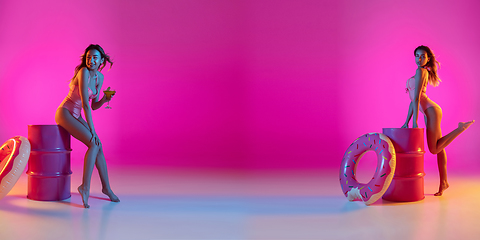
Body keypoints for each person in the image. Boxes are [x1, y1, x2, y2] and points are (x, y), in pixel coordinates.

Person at [402, 45, 474, 196]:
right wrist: (407, 121)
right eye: (417, 55)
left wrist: (415, 122)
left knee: (434, 149)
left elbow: (417, 98)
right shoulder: (418, 73)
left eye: (423, 56)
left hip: (431, 111)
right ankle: (444, 182)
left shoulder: (420, 71)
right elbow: (412, 100)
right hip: (429, 113)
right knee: (440, 148)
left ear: (428, 59)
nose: (419, 58)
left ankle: (460, 128)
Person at [55, 44, 119, 208]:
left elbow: (94, 105)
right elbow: (85, 104)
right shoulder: (83, 72)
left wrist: (105, 99)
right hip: (65, 113)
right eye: (88, 57)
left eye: (95, 57)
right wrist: (93, 131)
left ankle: (107, 188)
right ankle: (85, 187)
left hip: (77, 115)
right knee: (93, 142)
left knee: (99, 146)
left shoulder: (100, 78)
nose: (91, 60)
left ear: (101, 61)